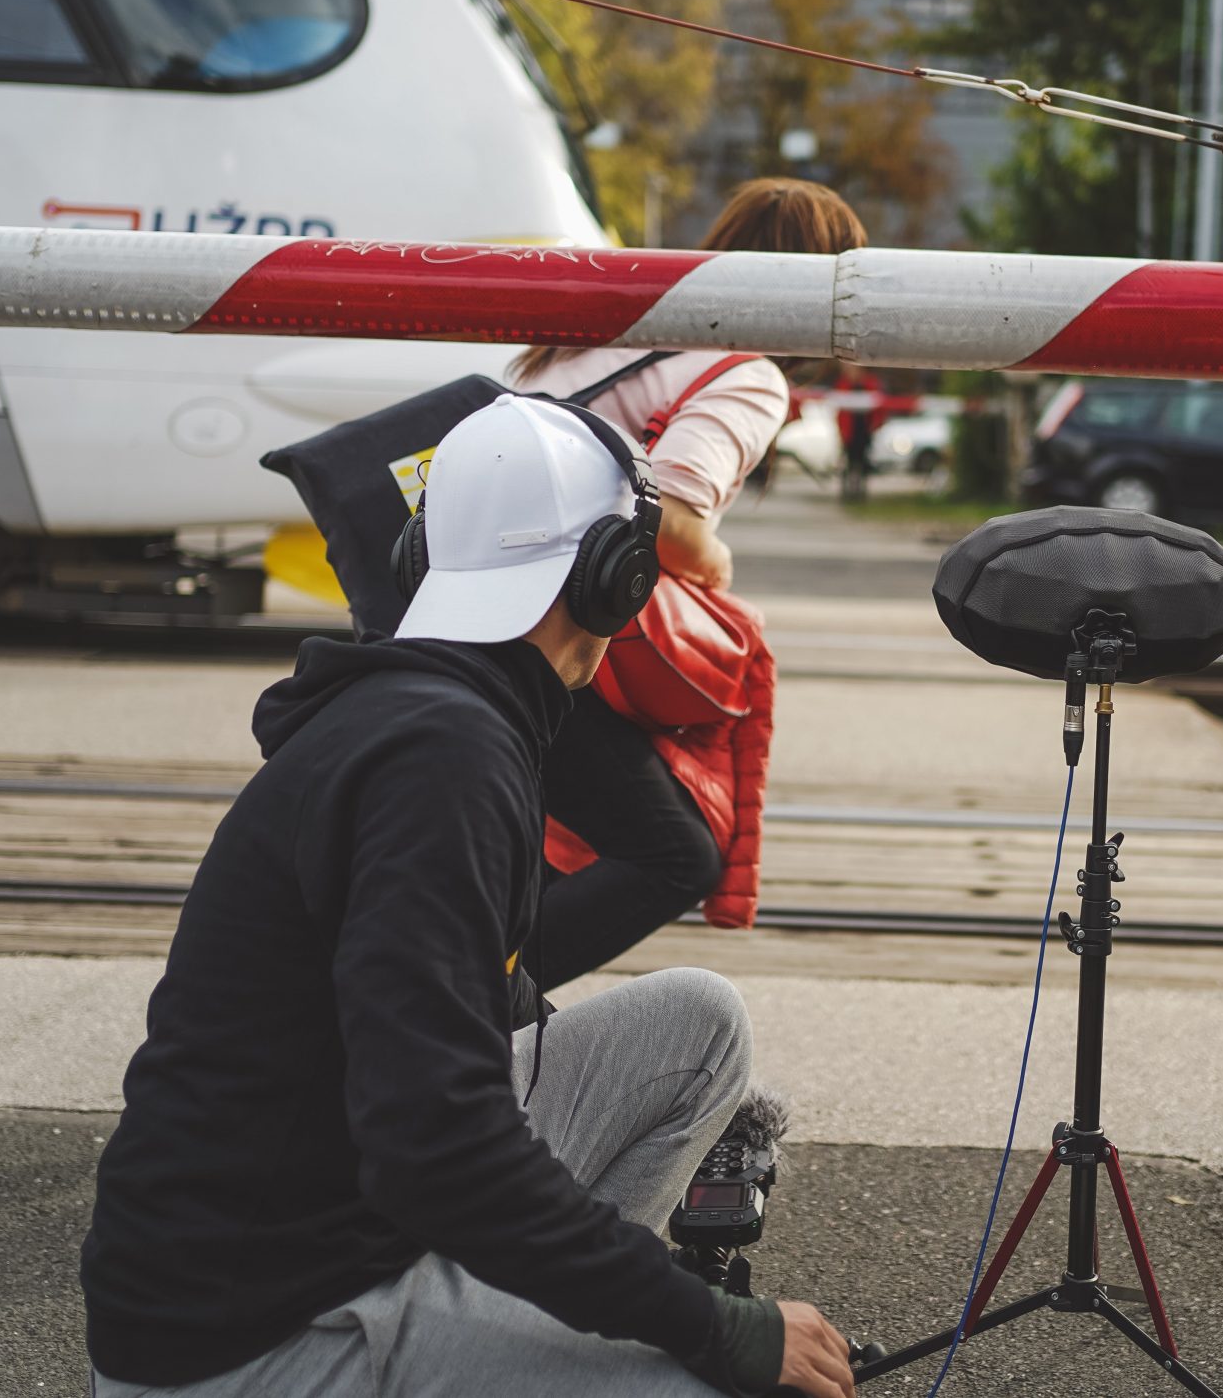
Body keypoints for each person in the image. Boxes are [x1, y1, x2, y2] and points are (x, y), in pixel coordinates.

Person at [80, 394, 858, 1398]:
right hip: (261, 1338)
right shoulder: (446, 760)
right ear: (614, 579)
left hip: (330, 1230)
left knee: (697, 1023)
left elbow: (448, 1046)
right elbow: (438, 1152)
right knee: (716, 1386)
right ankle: (540, 1340)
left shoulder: (427, 710)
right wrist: (716, 1332)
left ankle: (520, 1329)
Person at [508, 178, 868, 988]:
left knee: (553, 843)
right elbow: (667, 514)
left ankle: (469, 1025)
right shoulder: (747, 371)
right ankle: (462, 1012)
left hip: (478, 596)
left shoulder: (619, 331)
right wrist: (717, 567)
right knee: (674, 853)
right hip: (548, 628)